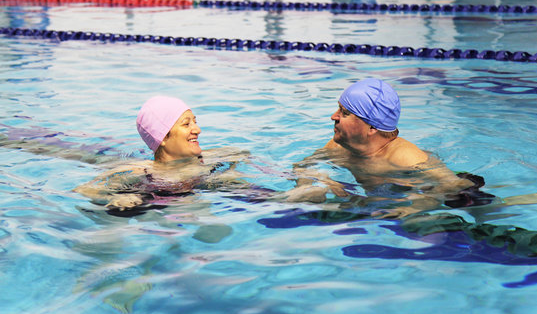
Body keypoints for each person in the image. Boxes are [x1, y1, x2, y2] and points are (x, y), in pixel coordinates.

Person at [285, 78, 488, 217]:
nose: (333, 116)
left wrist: (416, 208)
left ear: (372, 127)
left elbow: (454, 185)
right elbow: (301, 166)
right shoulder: (338, 148)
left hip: (409, 191)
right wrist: (312, 181)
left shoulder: (406, 158)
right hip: (375, 198)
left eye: (344, 113)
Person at [75, 95, 250, 213]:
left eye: (195, 122)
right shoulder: (141, 170)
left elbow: (242, 154)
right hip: (146, 208)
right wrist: (116, 198)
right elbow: (83, 190)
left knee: (216, 233)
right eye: (186, 124)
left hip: (190, 207)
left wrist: (231, 171)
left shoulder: (215, 157)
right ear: (162, 137)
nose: (197, 129)